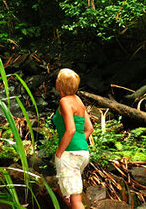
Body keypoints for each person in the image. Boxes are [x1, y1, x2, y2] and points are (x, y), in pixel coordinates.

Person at [53, 68, 94, 208]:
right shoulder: (78, 101)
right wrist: (79, 144)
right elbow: (89, 128)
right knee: (62, 189)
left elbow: (71, 130)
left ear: (59, 84)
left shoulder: (64, 102)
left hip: (69, 153)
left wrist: (60, 152)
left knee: (75, 198)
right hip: (82, 152)